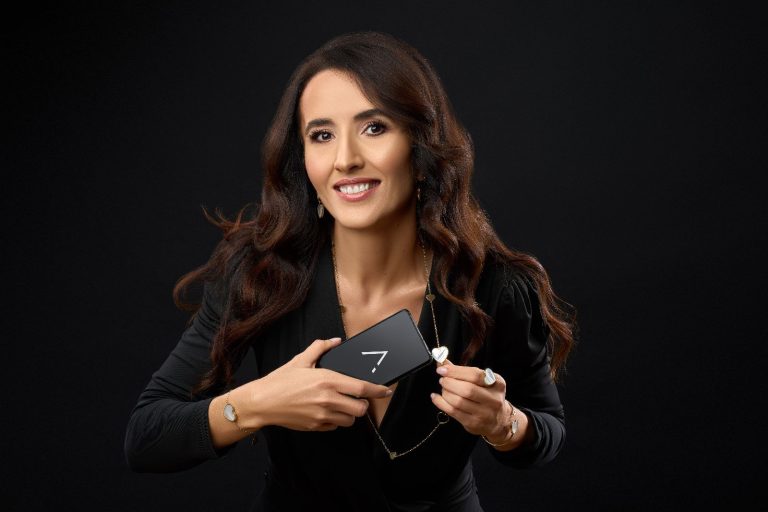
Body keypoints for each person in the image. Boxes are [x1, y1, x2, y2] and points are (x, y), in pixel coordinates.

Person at [124, 31, 576, 512]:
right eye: (322, 135)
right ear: (303, 158)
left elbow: (547, 431)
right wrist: (256, 405)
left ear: (422, 148)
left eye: (374, 128)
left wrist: (504, 424)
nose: (345, 160)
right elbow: (146, 438)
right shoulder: (259, 273)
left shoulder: (497, 285)